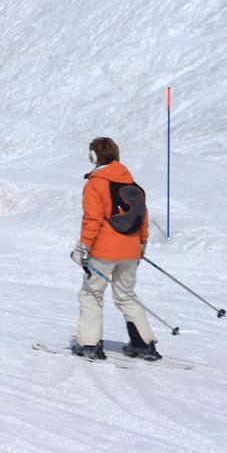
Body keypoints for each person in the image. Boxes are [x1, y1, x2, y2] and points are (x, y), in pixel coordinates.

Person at [71, 136, 160, 361]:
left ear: (94, 156)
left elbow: (93, 219)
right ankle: (143, 344)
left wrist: (82, 248)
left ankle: (89, 344)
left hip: (104, 251)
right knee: (126, 295)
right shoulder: (132, 184)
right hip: (131, 250)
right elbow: (144, 218)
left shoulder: (96, 183)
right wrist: (142, 244)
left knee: (91, 294)